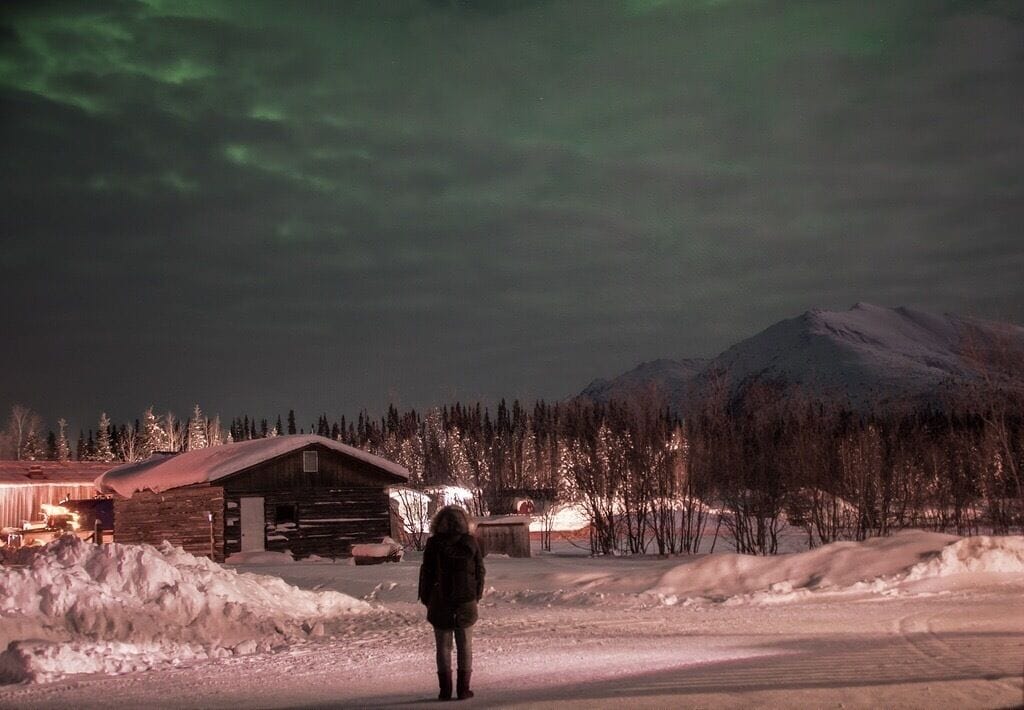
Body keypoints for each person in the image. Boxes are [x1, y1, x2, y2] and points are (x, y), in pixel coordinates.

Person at [417, 505, 485, 701]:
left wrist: (427, 598)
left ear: (439, 523)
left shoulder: (433, 544)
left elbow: (427, 573)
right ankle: (463, 690)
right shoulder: (471, 543)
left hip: (440, 600)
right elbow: (480, 571)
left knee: (443, 647)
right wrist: (476, 595)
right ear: (464, 523)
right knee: (465, 646)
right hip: (466, 600)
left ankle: (445, 691)